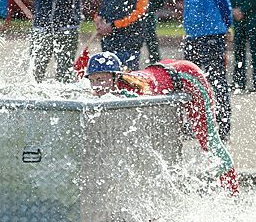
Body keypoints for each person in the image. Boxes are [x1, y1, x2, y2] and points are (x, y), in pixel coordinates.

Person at [85, 52, 240, 197]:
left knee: (209, 142)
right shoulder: (109, 89)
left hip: (188, 77)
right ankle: (175, 193)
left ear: (116, 77)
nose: (96, 86)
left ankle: (234, 196)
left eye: (100, 80)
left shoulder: (135, 94)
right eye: (92, 81)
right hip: (164, 70)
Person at [181, 0, 233, 143]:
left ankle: (222, 126)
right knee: (190, 80)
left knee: (216, 80)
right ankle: (196, 124)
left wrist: (228, 23)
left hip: (211, 33)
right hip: (193, 33)